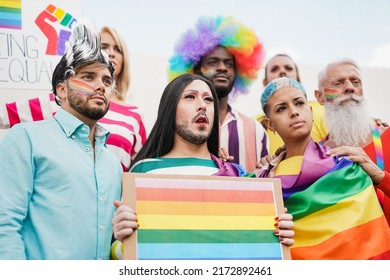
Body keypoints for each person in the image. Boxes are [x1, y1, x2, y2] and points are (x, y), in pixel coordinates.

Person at [110, 74, 294, 259]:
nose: (202, 105)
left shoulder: (238, 176)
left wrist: (278, 235)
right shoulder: (143, 171)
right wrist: (122, 238)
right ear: (169, 109)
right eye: (190, 97)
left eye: (208, 99)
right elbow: (121, 256)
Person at [0, 23, 122, 260]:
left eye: (107, 81)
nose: (100, 86)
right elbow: (4, 224)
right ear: (62, 90)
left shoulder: (113, 164)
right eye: (88, 76)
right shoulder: (25, 139)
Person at [256, 77, 390, 259]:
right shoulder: (263, 181)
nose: (294, 112)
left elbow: (369, 238)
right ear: (270, 124)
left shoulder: (345, 166)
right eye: (281, 108)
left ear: (310, 111)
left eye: (299, 103)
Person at [0, 25, 146, 171]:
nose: (111, 53)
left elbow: (139, 168)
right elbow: (5, 115)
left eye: (117, 49)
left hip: (113, 191)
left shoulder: (135, 115)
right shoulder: (61, 99)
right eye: (104, 46)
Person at [167, 16, 268, 172]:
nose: (222, 68)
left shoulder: (255, 129)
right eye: (213, 62)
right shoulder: (177, 125)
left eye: (229, 63)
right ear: (196, 70)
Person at [314, 58, 390, 226]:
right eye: (338, 83)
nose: (350, 87)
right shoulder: (317, 155)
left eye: (355, 81)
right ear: (320, 96)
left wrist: (380, 177)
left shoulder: (388, 135)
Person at [254, 54, 328, 155]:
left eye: (288, 68)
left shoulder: (323, 110)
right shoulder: (254, 124)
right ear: (270, 124)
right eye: (274, 69)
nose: (282, 71)